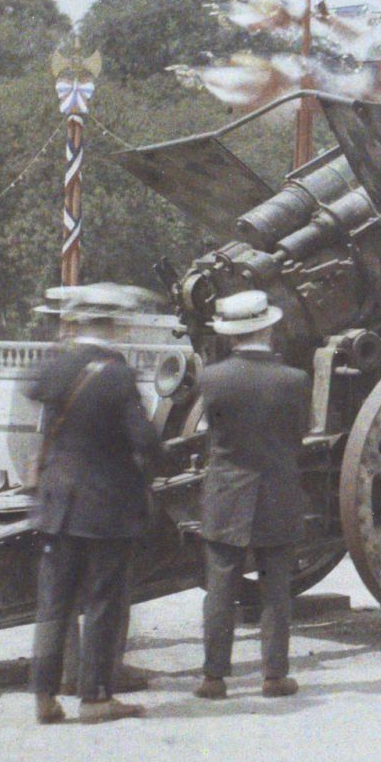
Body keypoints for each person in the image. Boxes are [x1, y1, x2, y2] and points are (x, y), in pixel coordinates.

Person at [25, 284, 164, 725]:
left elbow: (39, 404)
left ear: (77, 322)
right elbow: (143, 440)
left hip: (55, 503)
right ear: (113, 324)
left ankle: (44, 698)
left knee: (53, 604)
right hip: (105, 507)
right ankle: (97, 698)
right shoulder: (118, 374)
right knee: (104, 599)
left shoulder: (55, 367)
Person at [193, 290, 310, 701]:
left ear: (230, 334)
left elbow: (213, 435)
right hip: (277, 491)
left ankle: (213, 678)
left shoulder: (211, 378)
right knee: (276, 586)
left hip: (226, 495)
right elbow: (298, 435)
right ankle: (274, 676)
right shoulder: (294, 380)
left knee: (220, 585)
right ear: (269, 327)